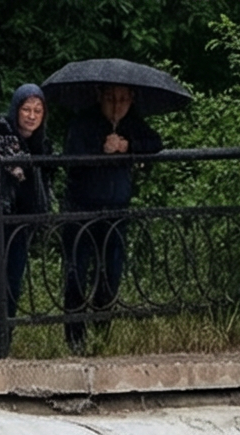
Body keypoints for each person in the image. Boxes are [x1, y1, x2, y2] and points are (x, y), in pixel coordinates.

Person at [58, 82, 160, 354]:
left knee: (111, 274)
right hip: (81, 209)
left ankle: (102, 334)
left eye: (123, 99)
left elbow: (155, 143)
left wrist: (128, 145)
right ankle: (75, 339)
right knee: (76, 274)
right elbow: (71, 158)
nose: (117, 106)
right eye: (111, 98)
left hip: (116, 210)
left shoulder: (132, 122)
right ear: (100, 96)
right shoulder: (82, 122)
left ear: (131, 99)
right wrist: (101, 148)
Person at [0, 83, 49, 359]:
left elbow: (43, 184)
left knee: (12, 285)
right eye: (26, 109)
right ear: (16, 109)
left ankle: (3, 346)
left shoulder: (42, 143)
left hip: (20, 223)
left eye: (37, 110)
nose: (31, 116)